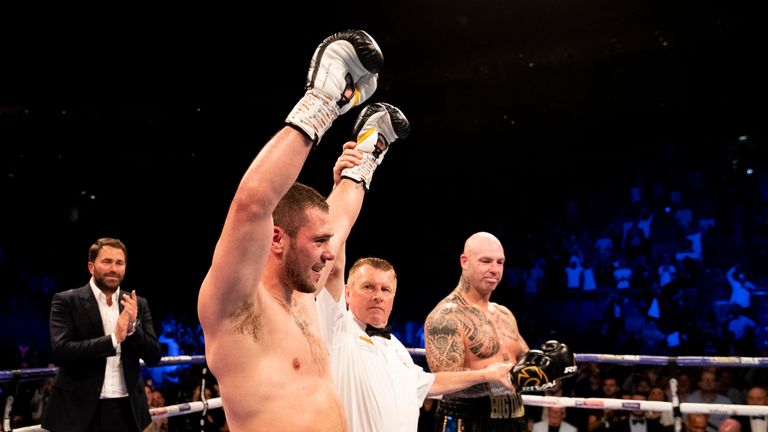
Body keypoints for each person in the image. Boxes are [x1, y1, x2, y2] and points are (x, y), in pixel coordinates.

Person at [196, 29, 383, 432]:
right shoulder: (236, 305)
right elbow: (252, 204)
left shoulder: (304, 299)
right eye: (317, 242)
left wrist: (362, 164)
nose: (329, 253)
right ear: (277, 238)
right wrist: (322, 105)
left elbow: (339, 224)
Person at [307, 99, 517, 431]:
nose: (378, 295)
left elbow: (428, 384)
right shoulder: (338, 330)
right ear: (347, 293)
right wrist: (343, 185)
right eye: (368, 287)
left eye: (385, 289)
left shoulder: (396, 350)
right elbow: (330, 259)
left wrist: (489, 374)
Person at [424, 231, 576, 432]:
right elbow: (443, 380)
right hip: (465, 419)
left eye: (500, 262)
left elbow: (524, 369)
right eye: (486, 261)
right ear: (464, 261)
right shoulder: (446, 318)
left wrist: (551, 369)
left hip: (514, 419)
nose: (494, 269)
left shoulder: (504, 314)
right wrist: (493, 377)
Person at [43, 237, 162, 432]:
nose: (113, 268)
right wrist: (114, 339)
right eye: (107, 261)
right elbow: (62, 351)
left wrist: (133, 329)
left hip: (127, 408)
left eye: (119, 263)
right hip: (79, 409)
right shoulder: (66, 301)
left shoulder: (137, 303)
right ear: (91, 266)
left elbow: (154, 356)